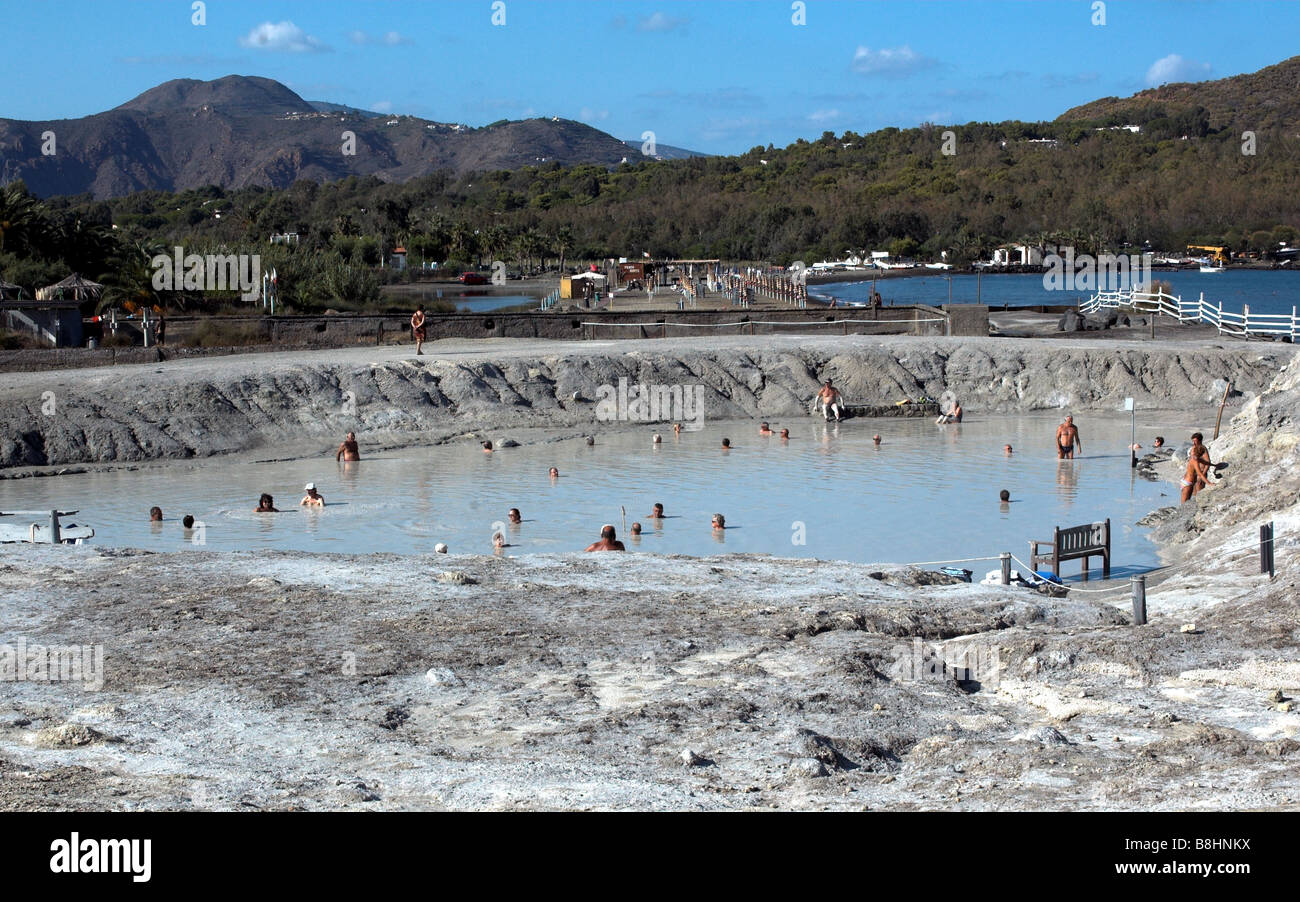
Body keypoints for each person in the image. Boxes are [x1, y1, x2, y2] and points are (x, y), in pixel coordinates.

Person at [1180, 432, 1213, 503]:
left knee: (1198, 496)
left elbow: (1207, 463)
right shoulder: (1193, 448)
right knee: (1192, 496)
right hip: (1191, 477)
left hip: (1200, 475)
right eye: (1193, 441)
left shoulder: (1203, 449)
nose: (1194, 443)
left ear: (1200, 440)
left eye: (1195, 441)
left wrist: (1203, 474)